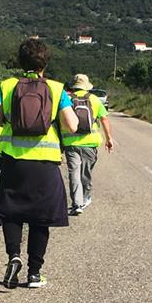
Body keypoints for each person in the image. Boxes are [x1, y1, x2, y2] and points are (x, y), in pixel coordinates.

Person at [0, 37, 79, 289]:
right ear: (45, 63)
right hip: (45, 163)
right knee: (41, 218)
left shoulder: (6, 86)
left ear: (20, 61)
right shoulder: (57, 89)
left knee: (11, 212)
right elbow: (72, 125)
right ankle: (35, 273)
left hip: (14, 163)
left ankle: (13, 255)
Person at [62, 74, 115, 215]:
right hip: (90, 143)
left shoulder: (67, 99)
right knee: (86, 173)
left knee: (74, 172)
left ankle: (77, 203)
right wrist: (109, 138)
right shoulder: (94, 100)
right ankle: (85, 197)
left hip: (70, 142)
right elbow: (104, 119)